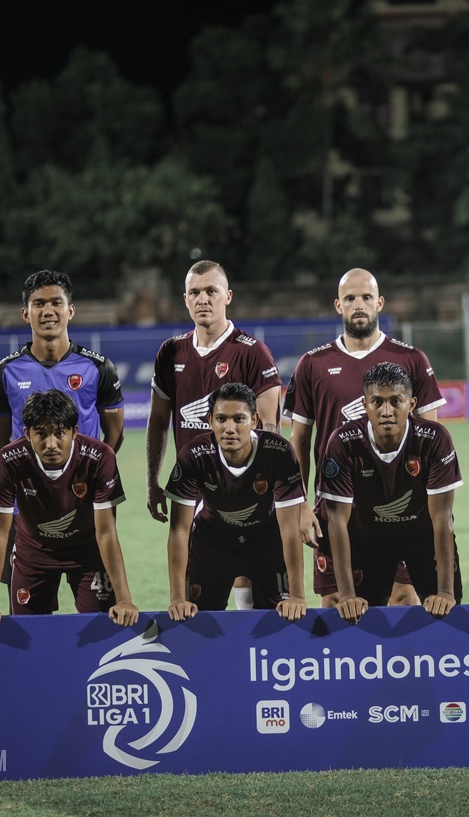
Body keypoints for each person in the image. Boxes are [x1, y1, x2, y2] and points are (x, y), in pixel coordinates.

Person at [284, 268, 446, 609]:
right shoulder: (313, 364)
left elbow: (431, 441)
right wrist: (299, 506)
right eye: (350, 299)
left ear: (379, 303)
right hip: (336, 502)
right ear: (338, 306)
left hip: (399, 507)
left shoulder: (411, 359)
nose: (359, 305)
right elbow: (298, 442)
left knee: (405, 596)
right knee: (334, 602)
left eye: (366, 298)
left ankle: (402, 666)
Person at [146, 260, 282, 609]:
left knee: (250, 581)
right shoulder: (171, 352)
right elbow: (158, 421)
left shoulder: (252, 352)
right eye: (194, 292)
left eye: (211, 291)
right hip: (194, 488)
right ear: (185, 299)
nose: (202, 299)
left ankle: (251, 654)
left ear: (228, 296)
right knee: (201, 594)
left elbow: (269, 428)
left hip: (244, 487)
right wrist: (152, 481)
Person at [0, 270, 125, 602]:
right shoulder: (4, 371)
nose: (48, 311)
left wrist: (89, 474)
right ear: (26, 313)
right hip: (29, 511)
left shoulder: (98, 368)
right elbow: (2, 440)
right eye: (39, 304)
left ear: (70, 310)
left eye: (55, 303)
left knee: (99, 618)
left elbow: (114, 434)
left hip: (87, 509)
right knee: (29, 621)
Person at [0, 390, 138, 628]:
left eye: (60, 433)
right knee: (29, 635)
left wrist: (124, 599)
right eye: (41, 433)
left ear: (74, 432)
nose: (51, 444)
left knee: (101, 630)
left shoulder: (100, 457)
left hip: (87, 554)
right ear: (27, 434)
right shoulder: (8, 460)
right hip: (33, 554)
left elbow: (106, 532)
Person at [318, 362, 463, 624]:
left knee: (447, 617)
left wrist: (444, 591)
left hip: (422, 538)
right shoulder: (342, 442)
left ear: (411, 403)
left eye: (396, 401)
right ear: (364, 404)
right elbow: (337, 521)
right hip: (367, 540)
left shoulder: (435, 438)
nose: (386, 411)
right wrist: (348, 594)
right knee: (356, 621)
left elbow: (442, 518)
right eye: (377, 402)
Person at [163, 383, 308, 622]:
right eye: (221, 418)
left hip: (265, 542)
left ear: (254, 420)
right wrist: (177, 598)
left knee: (280, 621)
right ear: (210, 420)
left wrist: (298, 596)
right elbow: (179, 529)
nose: (229, 428)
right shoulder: (194, 455)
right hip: (212, 542)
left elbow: (290, 528)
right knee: (197, 620)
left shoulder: (279, 452)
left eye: (239, 419)